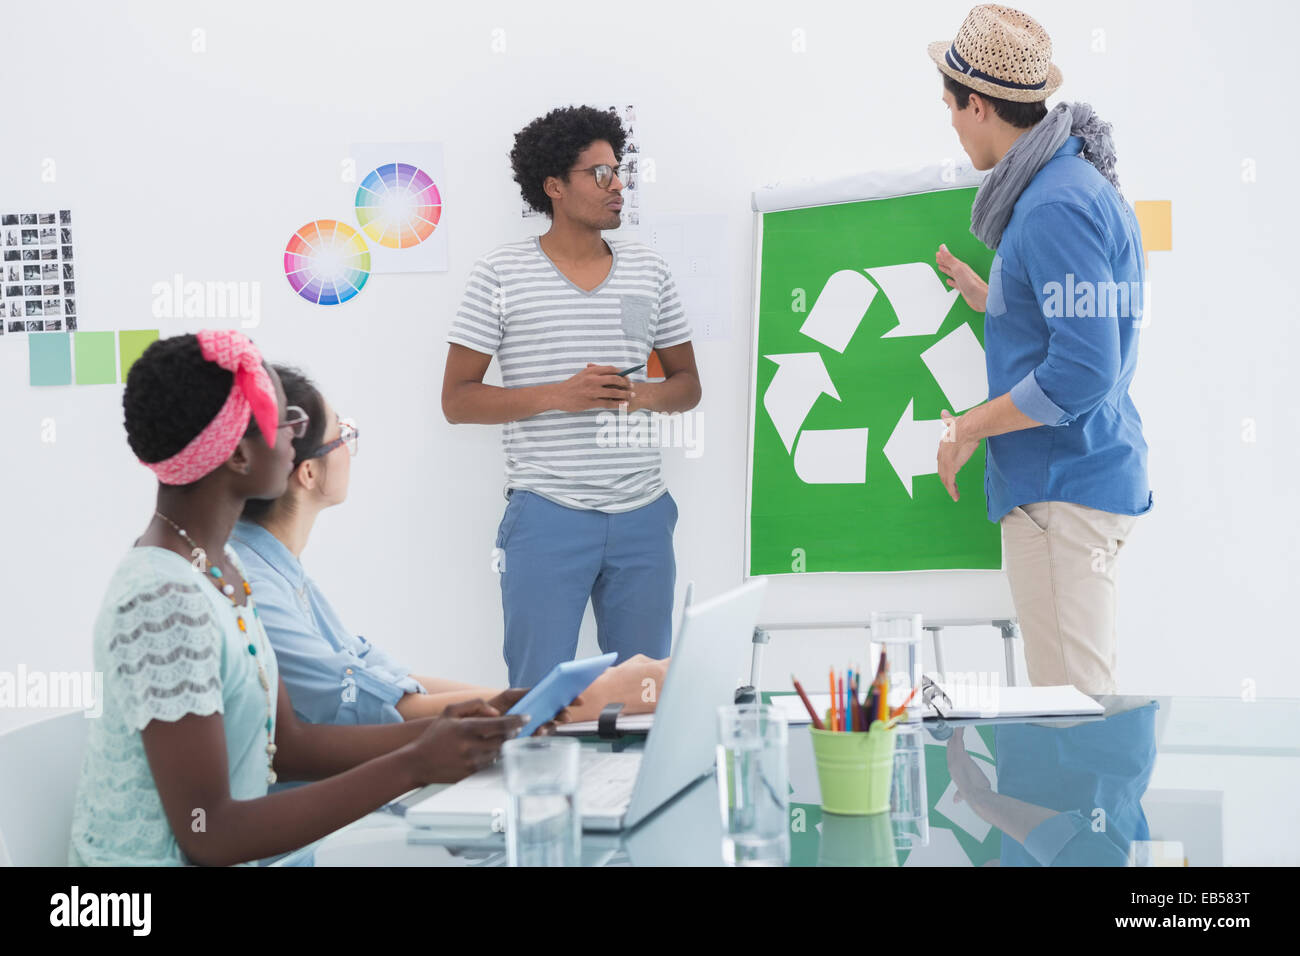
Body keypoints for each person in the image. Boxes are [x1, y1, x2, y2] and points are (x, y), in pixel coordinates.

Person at [68, 331, 539, 867]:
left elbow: (290, 745)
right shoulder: (162, 599)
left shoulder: (221, 565)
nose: (299, 430)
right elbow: (210, 833)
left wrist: (452, 727)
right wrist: (414, 763)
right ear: (240, 456)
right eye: (283, 416)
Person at [231, 364, 669, 726]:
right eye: (344, 435)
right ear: (307, 474)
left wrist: (547, 696)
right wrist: (597, 695)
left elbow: (385, 679)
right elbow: (378, 707)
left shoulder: (279, 572)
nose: (350, 446)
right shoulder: (256, 592)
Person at [926, 5, 1152, 694]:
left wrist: (968, 426)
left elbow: (1082, 370)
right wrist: (997, 294)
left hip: (1061, 493)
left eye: (951, 108)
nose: (953, 125)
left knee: (1074, 724)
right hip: (1080, 482)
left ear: (978, 104)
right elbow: (1079, 318)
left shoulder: (1052, 206)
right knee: (1082, 718)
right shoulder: (1071, 183)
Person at [442, 105, 701, 686]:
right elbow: (457, 400)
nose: (620, 186)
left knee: (643, 699)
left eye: (620, 171)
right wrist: (559, 395)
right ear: (554, 186)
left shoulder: (649, 270)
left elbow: (687, 386)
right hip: (546, 515)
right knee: (538, 703)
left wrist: (640, 395)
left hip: (643, 515)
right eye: (601, 173)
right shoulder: (500, 275)